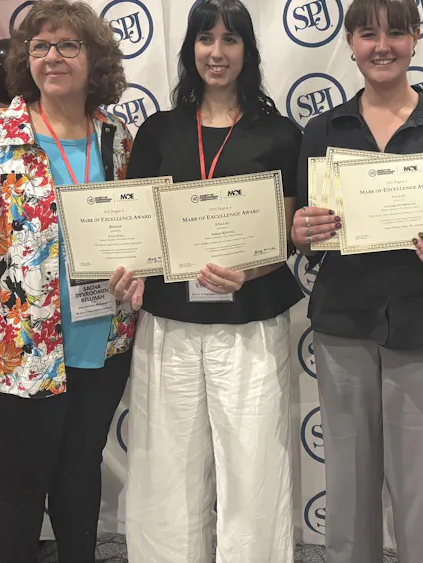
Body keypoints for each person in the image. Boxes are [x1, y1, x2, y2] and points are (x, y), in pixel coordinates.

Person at [0, 1, 136, 561]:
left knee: (81, 476)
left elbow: (137, 237)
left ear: (96, 58)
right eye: (39, 47)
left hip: (102, 348)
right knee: (15, 492)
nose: (52, 57)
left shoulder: (119, 140)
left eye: (68, 45)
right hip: (17, 358)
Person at [106, 1, 303, 562]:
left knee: (254, 464)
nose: (217, 53)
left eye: (230, 40)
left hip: (250, 321)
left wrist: (254, 268)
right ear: (190, 49)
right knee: (167, 464)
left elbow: (288, 232)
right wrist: (129, 271)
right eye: (205, 40)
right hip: (170, 322)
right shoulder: (159, 131)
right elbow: (137, 226)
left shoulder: (280, 134)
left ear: (248, 50)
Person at [290, 0, 423, 560]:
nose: (382, 46)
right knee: (347, 486)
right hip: (343, 325)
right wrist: (302, 230)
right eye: (368, 33)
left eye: (396, 33)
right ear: (350, 41)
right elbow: (305, 229)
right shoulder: (322, 131)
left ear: (416, 40)